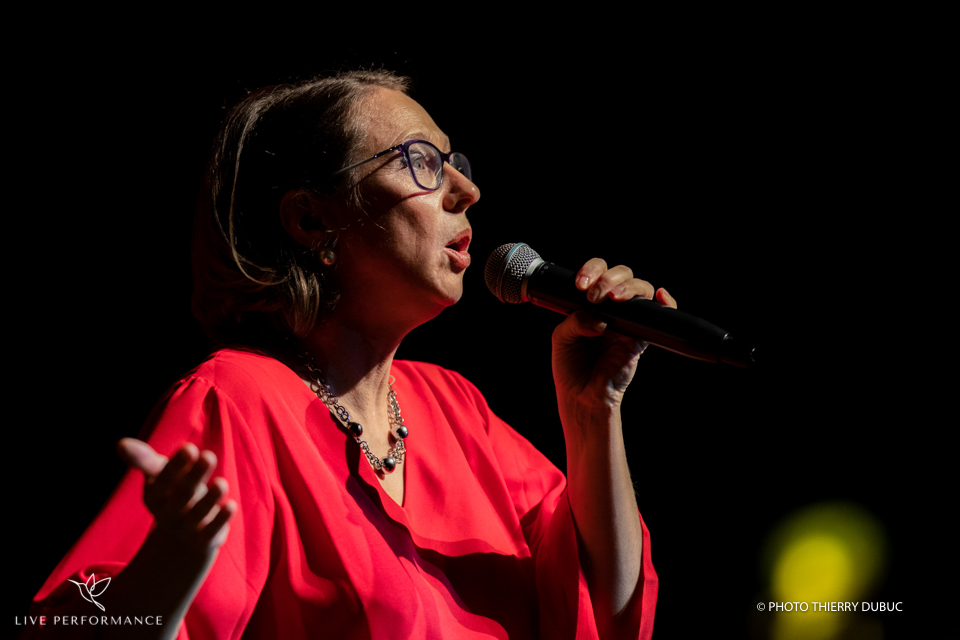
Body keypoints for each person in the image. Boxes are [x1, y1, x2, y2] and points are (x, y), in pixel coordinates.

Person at [27, 70, 671, 639]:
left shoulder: (455, 407)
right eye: (421, 161)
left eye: (455, 163)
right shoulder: (236, 401)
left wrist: (594, 412)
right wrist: (167, 571)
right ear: (312, 221)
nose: (465, 191)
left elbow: (608, 615)